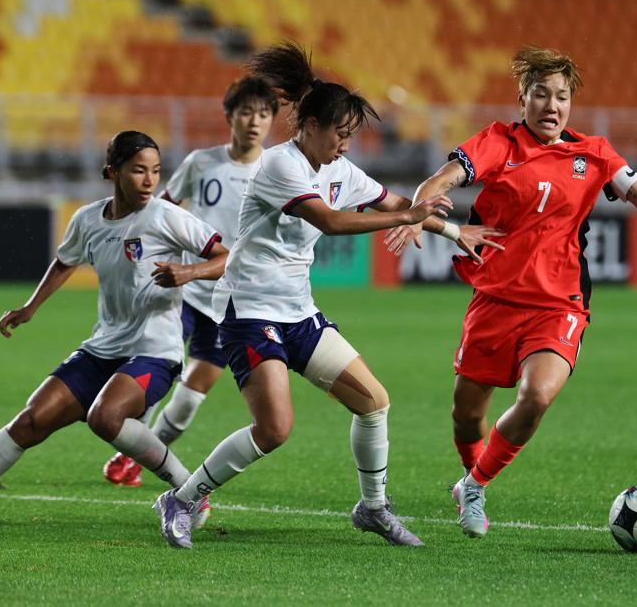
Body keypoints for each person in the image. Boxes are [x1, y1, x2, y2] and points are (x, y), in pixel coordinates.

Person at [385, 46, 637, 538]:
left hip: (559, 303)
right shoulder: (498, 143)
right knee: (466, 416)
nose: (552, 106)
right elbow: (443, 178)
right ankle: (471, 475)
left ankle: (474, 487)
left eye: (562, 96)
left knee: (537, 395)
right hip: (494, 299)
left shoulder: (595, 154)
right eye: (541, 94)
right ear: (522, 100)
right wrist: (418, 213)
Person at [154, 41, 503, 549]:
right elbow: (331, 221)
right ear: (310, 126)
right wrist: (407, 216)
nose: (346, 146)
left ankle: (373, 508)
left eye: (351, 136)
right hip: (248, 311)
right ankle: (181, 499)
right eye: (340, 134)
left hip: (298, 313)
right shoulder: (280, 165)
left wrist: (453, 231)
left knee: (374, 403)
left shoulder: (340, 169)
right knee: (274, 430)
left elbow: (396, 201)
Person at [0, 131, 228, 522]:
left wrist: (189, 272)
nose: (149, 180)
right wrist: (30, 307)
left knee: (105, 417)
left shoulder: (167, 217)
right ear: (113, 172)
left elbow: (226, 257)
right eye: (138, 170)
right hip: (103, 347)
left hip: (155, 351)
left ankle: (189, 492)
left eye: (156, 171)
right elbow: (65, 262)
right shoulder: (87, 220)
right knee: (31, 420)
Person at [104, 77, 279, 491]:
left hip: (232, 299)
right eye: (246, 112)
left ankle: (139, 456)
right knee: (154, 371)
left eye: (264, 114)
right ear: (230, 116)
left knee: (190, 396)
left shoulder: (276, 171)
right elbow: (161, 208)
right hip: (181, 290)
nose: (255, 121)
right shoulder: (202, 162)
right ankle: (128, 448)